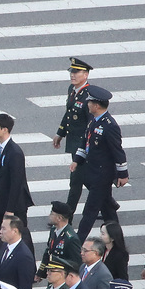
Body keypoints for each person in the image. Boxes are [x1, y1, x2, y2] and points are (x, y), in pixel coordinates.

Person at [75, 86, 128, 239]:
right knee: (108, 211)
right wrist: (77, 160)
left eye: (90, 102)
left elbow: (118, 151)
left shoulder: (109, 126)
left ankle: (77, 243)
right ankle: (118, 239)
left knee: (90, 210)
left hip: (102, 174)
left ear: (97, 106)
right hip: (91, 171)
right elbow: (86, 142)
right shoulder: (93, 120)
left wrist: (123, 174)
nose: (87, 104)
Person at [0, 113, 34, 245]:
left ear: (4, 129)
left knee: (18, 238)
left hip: (14, 205)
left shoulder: (15, 153)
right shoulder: (0, 147)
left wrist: (10, 210)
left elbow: (16, 183)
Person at [54, 58, 94, 210]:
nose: (72, 75)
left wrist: (84, 148)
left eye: (76, 72)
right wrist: (60, 132)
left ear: (85, 75)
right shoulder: (72, 89)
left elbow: (91, 124)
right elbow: (69, 113)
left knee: (76, 179)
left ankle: (67, 214)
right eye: (72, 71)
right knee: (86, 178)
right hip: (74, 142)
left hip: (83, 145)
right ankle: (108, 204)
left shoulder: (89, 95)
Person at [0, 216, 37, 289]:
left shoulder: (24, 255)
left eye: (4, 229)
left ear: (15, 231)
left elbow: (25, 286)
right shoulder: (5, 246)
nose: (0, 231)